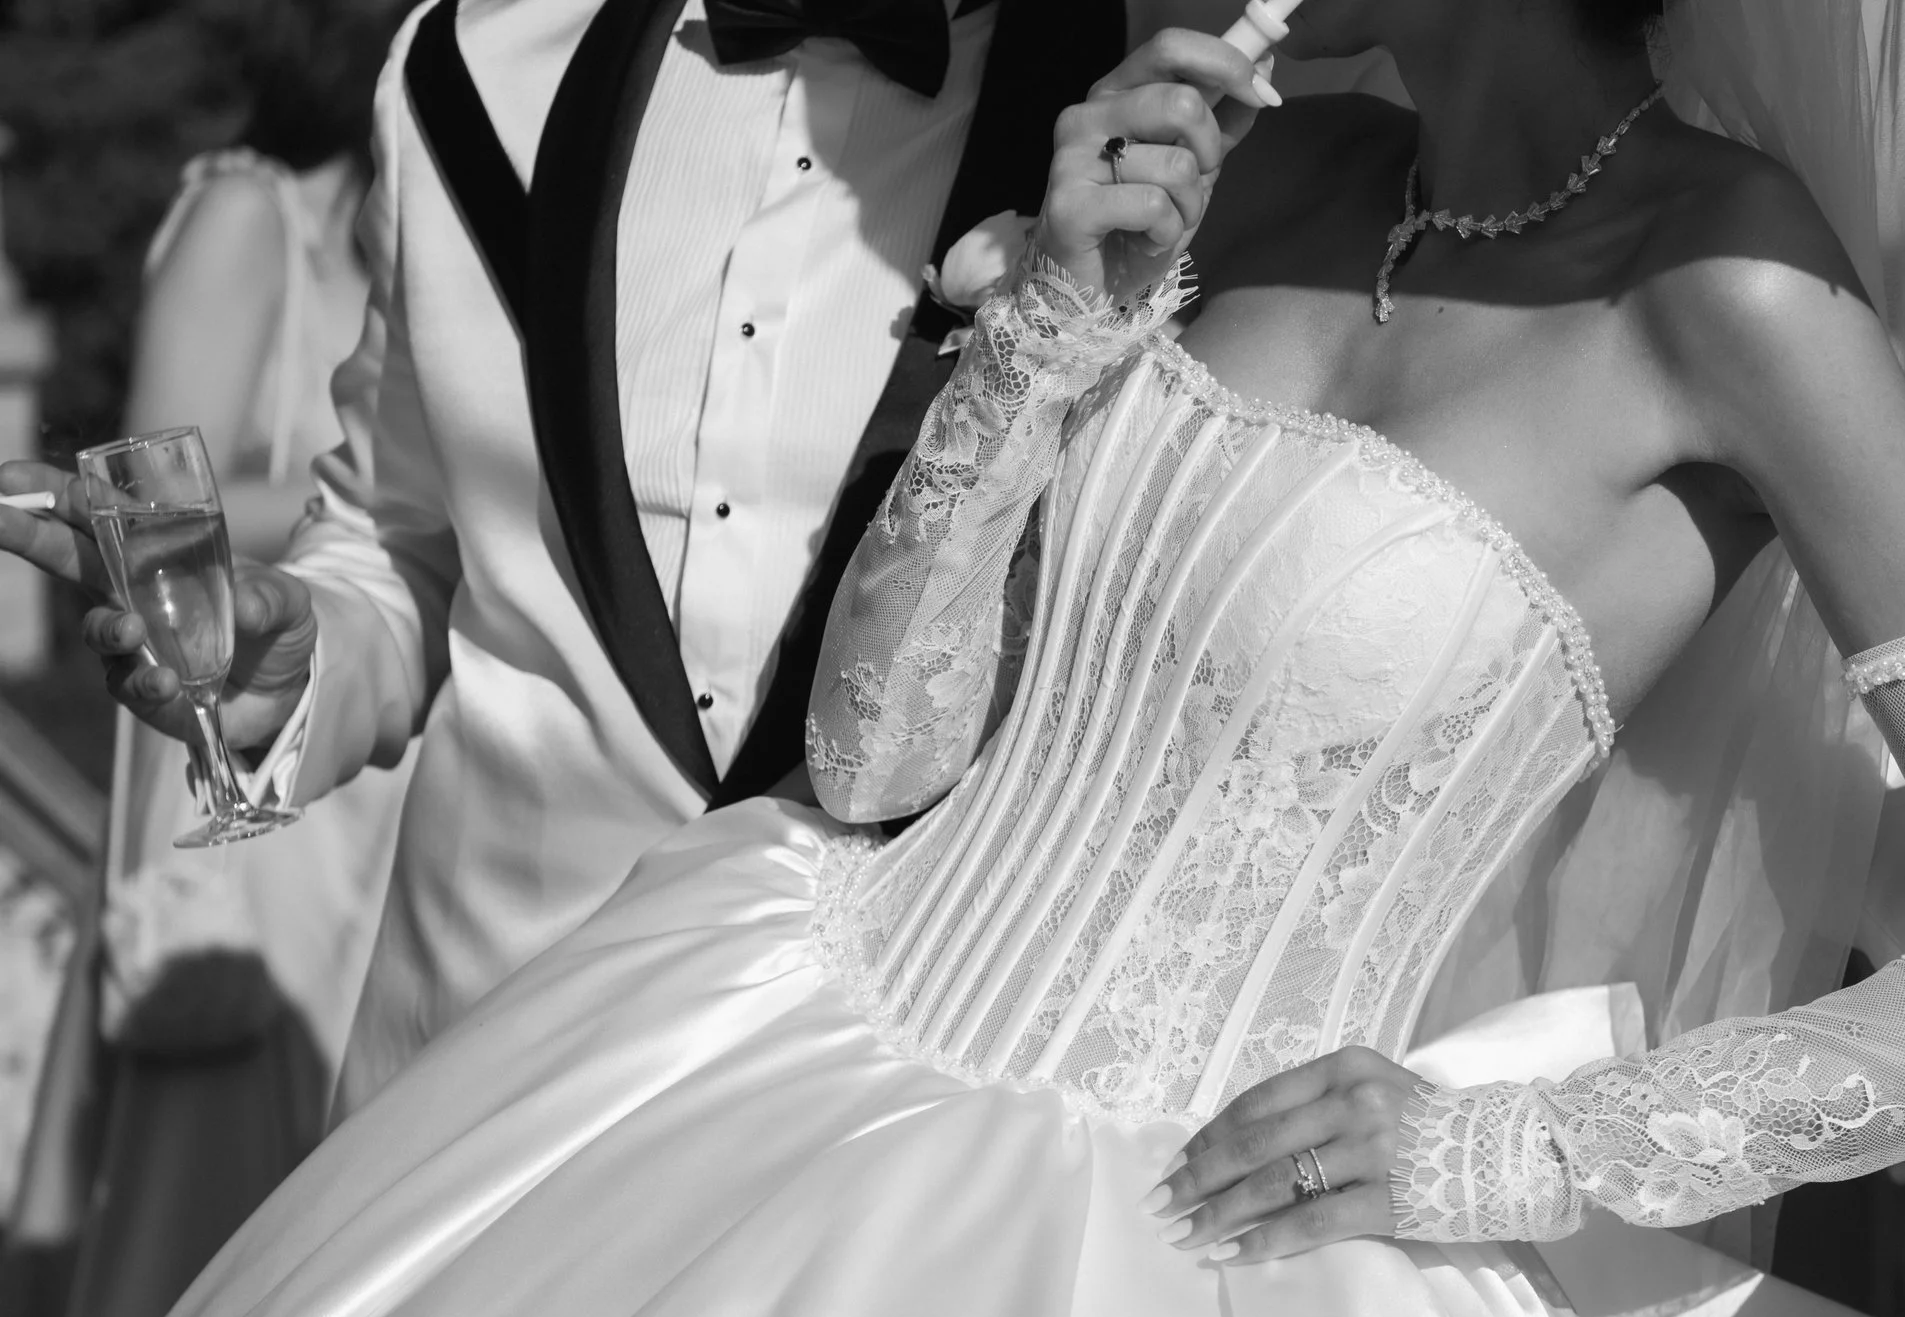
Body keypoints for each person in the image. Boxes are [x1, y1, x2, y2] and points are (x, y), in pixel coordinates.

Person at [0, 2, 1905, 1317]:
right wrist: (1051, 318)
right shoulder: (1256, 166)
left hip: (1212, 1267)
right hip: (752, 1054)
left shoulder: (1742, 299)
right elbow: (872, 759)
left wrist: (1523, 1149)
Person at [0, 0, 1132, 1123]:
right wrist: (295, 674)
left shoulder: (1144, 103)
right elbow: (397, 542)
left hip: (902, 1115)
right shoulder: (472, 71)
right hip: (470, 1064)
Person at [40, 0, 415, 1317]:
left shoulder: (401, 233)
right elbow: (139, 491)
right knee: (200, 1260)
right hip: (241, 789)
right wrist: (384, 518)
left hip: (352, 784)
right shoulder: (245, 212)